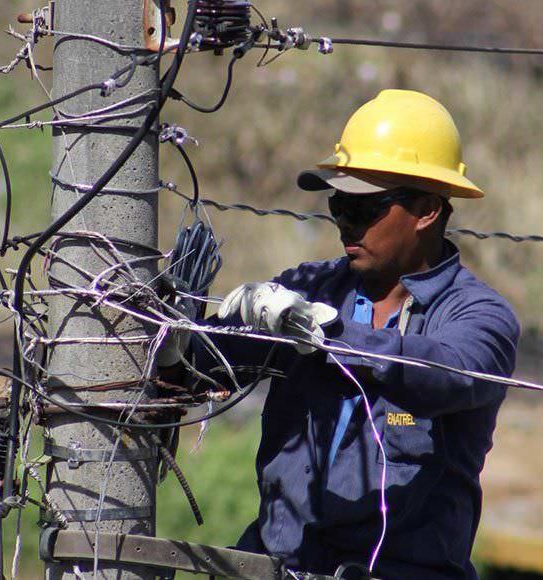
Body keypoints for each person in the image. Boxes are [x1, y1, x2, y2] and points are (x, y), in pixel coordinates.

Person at [158, 89, 520, 579]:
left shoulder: (479, 317)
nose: (346, 224)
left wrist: (323, 332)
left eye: (365, 208)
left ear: (428, 210)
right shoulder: (310, 289)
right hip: (280, 565)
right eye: (338, 206)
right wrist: (177, 343)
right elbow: (207, 363)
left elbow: (444, 374)